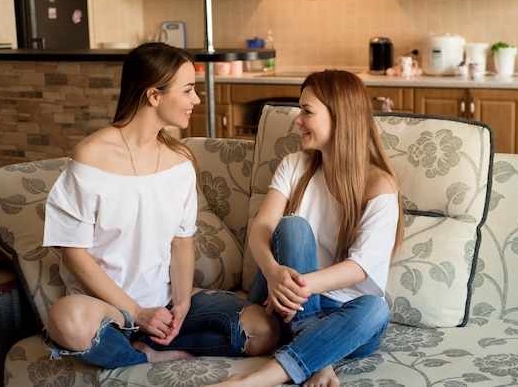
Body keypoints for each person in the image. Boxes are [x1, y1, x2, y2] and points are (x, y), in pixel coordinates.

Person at [43, 42, 279, 369]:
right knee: (66, 320)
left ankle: (157, 345)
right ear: (154, 96)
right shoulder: (90, 158)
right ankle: (145, 354)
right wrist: (137, 313)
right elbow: (74, 255)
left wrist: (180, 305)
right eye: (188, 90)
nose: (196, 100)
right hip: (109, 311)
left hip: (165, 304)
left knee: (264, 330)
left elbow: (181, 243)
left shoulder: (178, 162)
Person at [209, 70, 403, 387]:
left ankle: (260, 378)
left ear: (340, 117)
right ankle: (315, 356)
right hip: (280, 303)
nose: (297, 120)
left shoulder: (379, 184)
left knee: (376, 310)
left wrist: (299, 286)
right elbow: (262, 228)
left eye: (307, 111)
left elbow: (360, 267)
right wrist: (273, 273)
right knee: (292, 227)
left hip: (343, 316)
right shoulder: (294, 165)